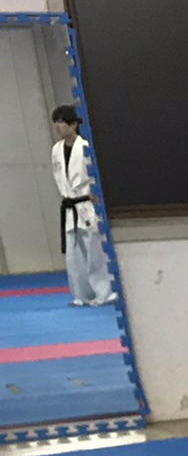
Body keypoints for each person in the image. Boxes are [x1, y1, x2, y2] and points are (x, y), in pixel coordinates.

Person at [50, 105, 114, 309]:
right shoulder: (56, 150)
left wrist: (97, 194)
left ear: (73, 124)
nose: (58, 126)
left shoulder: (86, 146)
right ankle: (82, 295)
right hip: (70, 206)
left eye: (61, 122)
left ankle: (104, 293)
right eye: (56, 122)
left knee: (95, 253)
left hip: (87, 204)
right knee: (74, 256)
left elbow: (96, 174)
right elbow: (59, 176)